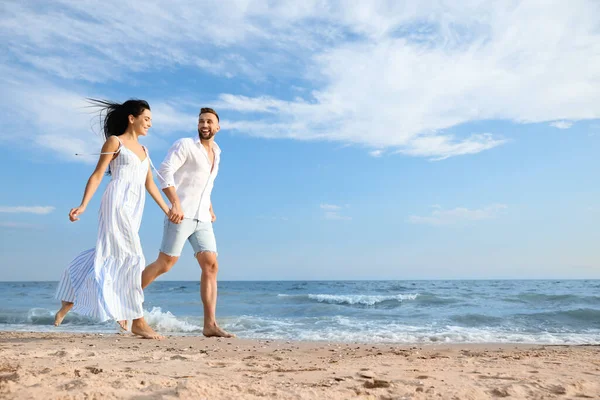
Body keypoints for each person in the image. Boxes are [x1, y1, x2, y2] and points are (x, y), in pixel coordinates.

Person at [54, 99, 170, 340]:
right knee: (135, 257)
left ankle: (70, 297)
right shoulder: (115, 141)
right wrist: (83, 205)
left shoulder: (145, 150)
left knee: (108, 253)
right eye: (146, 118)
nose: (149, 124)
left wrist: (167, 209)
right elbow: (97, 175)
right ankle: (137, 320)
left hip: (135, 206)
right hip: (116, 202)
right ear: (131, 118)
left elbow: (150, 184)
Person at [141, 107, 234, 338]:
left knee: (211, 265)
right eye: (201, 121)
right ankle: (126, 300)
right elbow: (164, 172)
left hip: (202, 217)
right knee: (165, 264)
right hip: (181, 214)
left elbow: (205, 184)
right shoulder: (185, 145)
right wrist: (174, 203)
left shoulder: (217, 152)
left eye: (209, 122)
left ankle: (210, 325)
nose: (204, 125)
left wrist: (210, 207)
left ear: (217, 127)